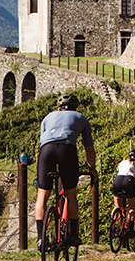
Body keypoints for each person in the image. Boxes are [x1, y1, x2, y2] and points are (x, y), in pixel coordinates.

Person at [35, 93, 98, 249]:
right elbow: (89, 150)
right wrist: (92, 169)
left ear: (59, 108)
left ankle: (40, 239)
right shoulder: (81, 118)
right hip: (67, 150)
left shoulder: (48, 117)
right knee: (70, 193)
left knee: (42, 195)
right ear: (75, 108)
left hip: (46, 151)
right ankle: (72, 235)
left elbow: (41, 142)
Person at [111, 148, 135, 237]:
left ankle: (112, 226)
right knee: (131, 208)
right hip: (129, 181)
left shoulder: (122, 162)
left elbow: (119, 171)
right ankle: (130, 230)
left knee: (117, 206)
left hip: (117, 180)